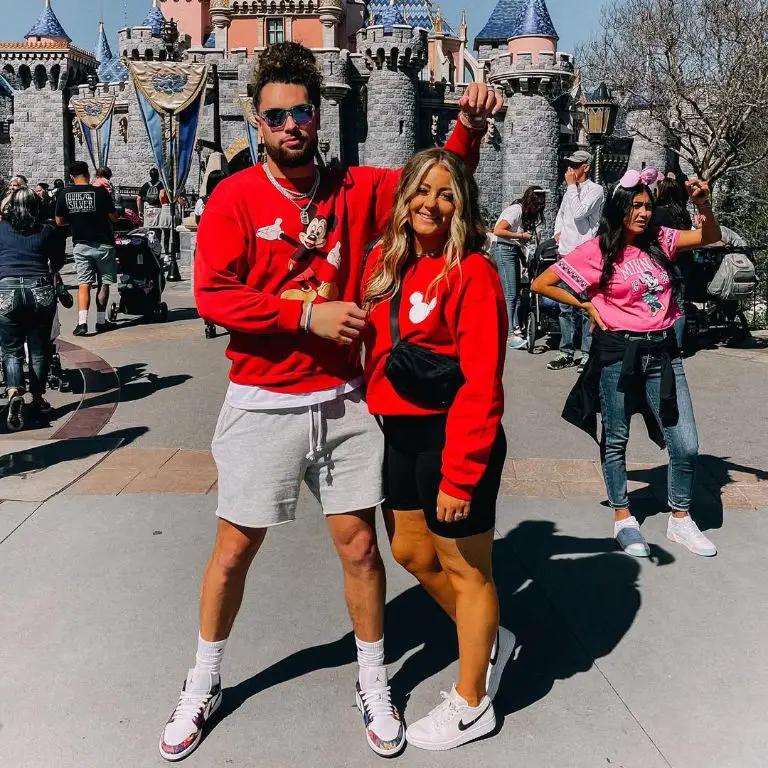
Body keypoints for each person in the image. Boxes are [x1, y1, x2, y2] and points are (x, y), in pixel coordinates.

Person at [158, 41, 501, 763]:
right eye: (276, 114)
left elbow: (429, 186)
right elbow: (212, 293)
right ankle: (204, 680)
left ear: (319, 116)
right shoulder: (234, 197)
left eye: (302, 112)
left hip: (345, 403)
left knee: (361, 550)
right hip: (262, 399)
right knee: (231, 551)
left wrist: (467, 127)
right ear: (258, 119)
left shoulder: (352, 188)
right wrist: (301, 316)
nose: (290, 125)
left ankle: (373, 680)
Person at [362, 147, 514, 751]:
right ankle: (489, 638)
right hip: (399, 434)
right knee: (408, 549)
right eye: (422, 191)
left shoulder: (473, 272)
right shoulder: (385, 263)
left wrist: (461, 474)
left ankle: (474, 700)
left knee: (466, 568)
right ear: (404, 199)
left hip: (453, 439)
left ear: (462, 207)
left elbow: (482, 380)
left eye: (446, 194)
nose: (431, 202)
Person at [532, 170, 722, 559]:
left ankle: (680, 518)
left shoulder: (660, 242)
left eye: (647, 206)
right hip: (619, 354)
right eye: (635, 206)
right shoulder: (597, 250)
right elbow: (542, 283)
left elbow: (708, 237)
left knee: (685, 444)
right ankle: (623, 516)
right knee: (616, 439)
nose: (643, 212)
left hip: (664, 354)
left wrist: (702, 204)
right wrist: (585, 304)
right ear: (620, 209)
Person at [0, 188, 65, 430]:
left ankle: (14, 391)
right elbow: (58, 260)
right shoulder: (46, 230)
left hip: (6, 288)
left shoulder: (2, 229)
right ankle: (37, 399)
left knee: (11, 349)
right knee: (39, 349)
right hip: (39, 287)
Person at [549, 150, 605, 373]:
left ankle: (586, 353)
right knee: (565, 306)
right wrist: (557, 231)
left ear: (586, 167)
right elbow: (562, 214)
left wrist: (572, 187)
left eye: (576, 165)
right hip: (566, 253)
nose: (571, 169)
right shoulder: (569, 191)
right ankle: (566, 350)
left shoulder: (596, 190)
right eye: (570, 164)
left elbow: (580, 213)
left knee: (584, 306)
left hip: (584, 254)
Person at [55, 161, 118, 336]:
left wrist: (75, 219)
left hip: (81, 244)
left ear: (71, 177)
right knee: (104, 282)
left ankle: (82, 323)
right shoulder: (100, 192)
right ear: (88, 174)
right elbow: (113, 217)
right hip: (103, 243)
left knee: (84, 283)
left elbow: (59, 221)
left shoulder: (64, 194)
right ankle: (100, 321)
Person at [492, 186, 545, 350]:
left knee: (515, 291)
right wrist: (521, 236)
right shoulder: (515, 210)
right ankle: (509, 335)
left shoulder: (523, 214)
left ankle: (514, 327)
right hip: (503, 249)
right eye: (537, 205)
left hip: (512, 250)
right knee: (510, 293)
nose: (538, 209)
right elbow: (498, 230)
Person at [138, 168, 170, 252]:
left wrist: (140, 210)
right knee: (158, 231)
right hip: (158, 208)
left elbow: (138, 198)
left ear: (150, 175)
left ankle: (151, 248)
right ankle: (157, 250)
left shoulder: (146, 185)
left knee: (150, 231)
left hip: (148, 209)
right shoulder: (161, 185)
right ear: (158, 175)